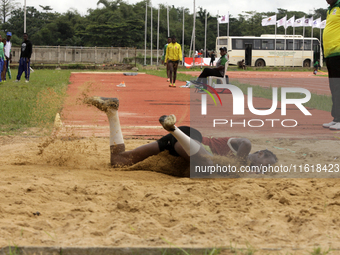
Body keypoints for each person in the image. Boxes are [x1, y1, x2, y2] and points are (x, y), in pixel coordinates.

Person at [83, 96, 278, 177]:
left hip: (176, 146)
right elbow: (245, 141)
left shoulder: (242, 170)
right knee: (206, 167)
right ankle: (173, 128)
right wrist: (237, 164)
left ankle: (112, 112)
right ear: (260, 154)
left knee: (119, 161)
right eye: (267, 164)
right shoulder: (243, 149)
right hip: (192, 136)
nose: (264, 169)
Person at [322, 0, 340, 130]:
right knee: (334, 87)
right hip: (330, 54)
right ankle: (336, 118)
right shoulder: (330, 9)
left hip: (339, 52)